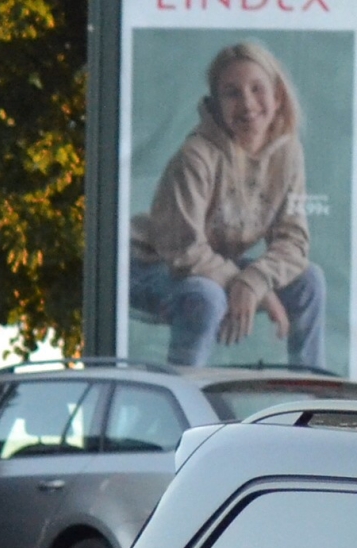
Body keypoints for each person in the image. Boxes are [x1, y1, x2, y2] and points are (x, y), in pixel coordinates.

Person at [130, 41, 326, 370]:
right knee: (207, 295)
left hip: (214, 263)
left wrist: (254, 281)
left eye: (257, 89)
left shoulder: (288, 152)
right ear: (216, 104)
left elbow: (293, 241)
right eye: (231, 93)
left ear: (277, 96)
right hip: (151, 266)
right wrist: (252, 288)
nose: (247, 103)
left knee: (310, 280)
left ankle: (312, 395)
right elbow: (185, 252)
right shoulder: (196, 156)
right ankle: (182, 396)